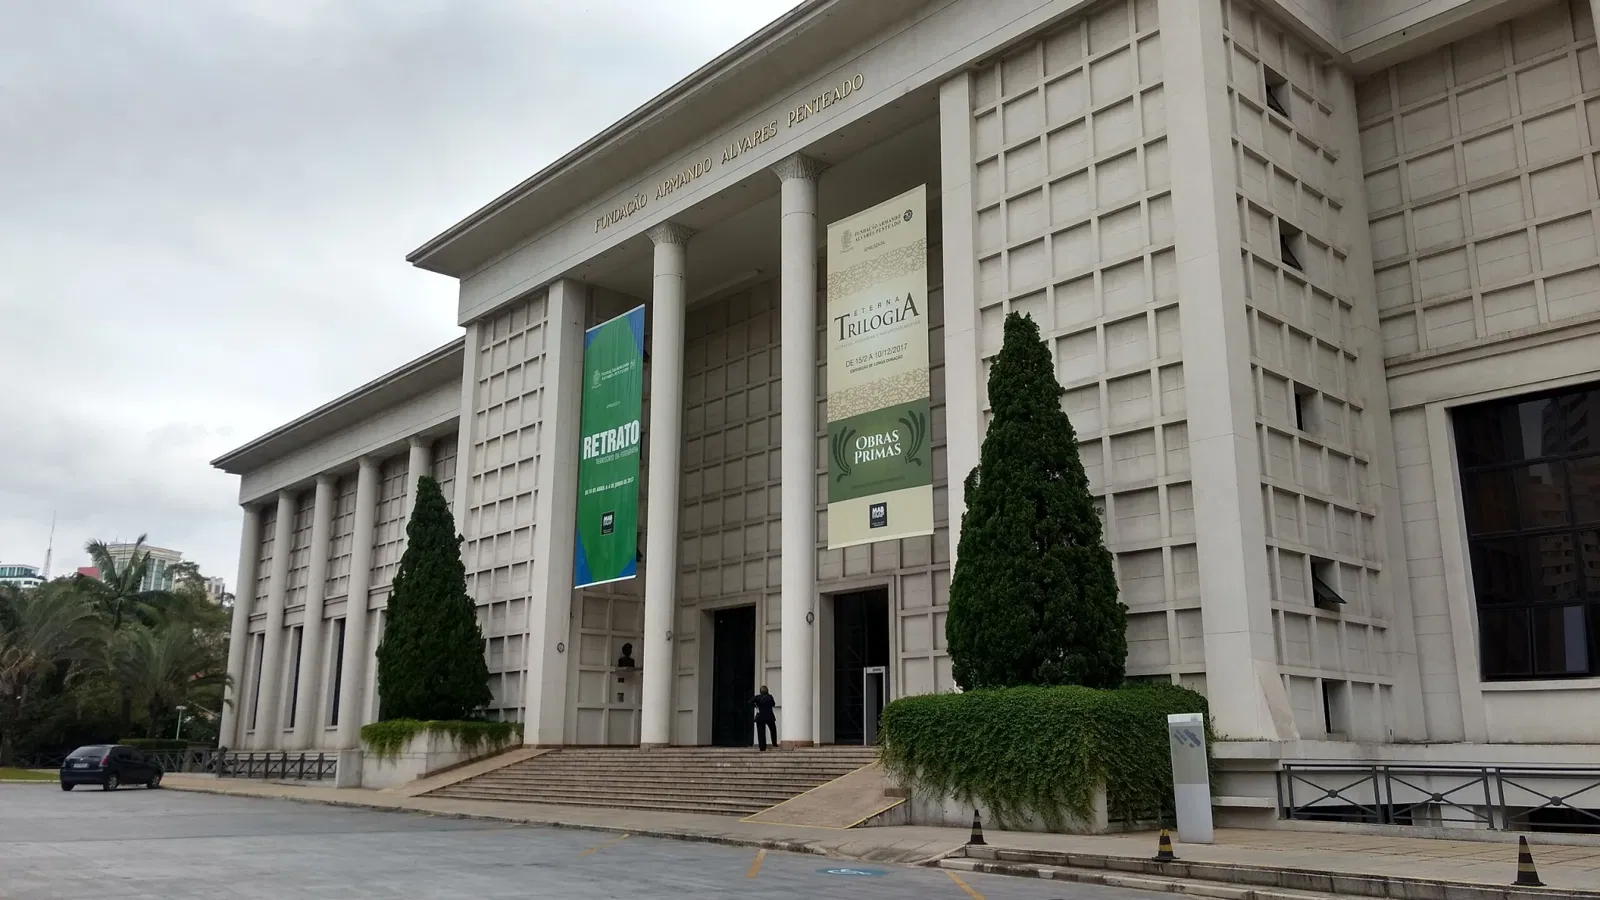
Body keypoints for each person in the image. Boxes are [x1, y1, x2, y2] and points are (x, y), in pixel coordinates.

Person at [752, 685, 777, 751]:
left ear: (760, 691)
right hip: (769, 716)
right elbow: (773, 704)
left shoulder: (757, 697)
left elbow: (750, 702)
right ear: (767, 691)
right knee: (773, 730)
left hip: (760, 717)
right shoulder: (770, 697)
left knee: (761, 732)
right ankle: (774, 743)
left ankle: (762, 747)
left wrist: (756, 705)